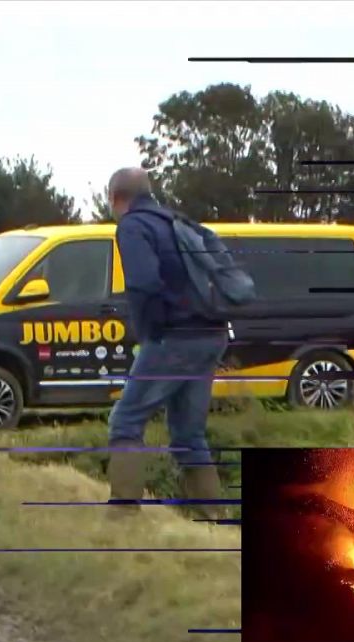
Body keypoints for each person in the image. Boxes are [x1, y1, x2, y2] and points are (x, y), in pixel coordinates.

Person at [103, 167, 229, 513]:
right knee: (189, 433)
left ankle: (123, 513)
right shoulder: (178, 222)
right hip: (211, 334)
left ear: (115, 198)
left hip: (174, 337)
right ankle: (213, 518)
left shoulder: (133, 226)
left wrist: (151, 333)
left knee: (125, 421)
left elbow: (144, 283)